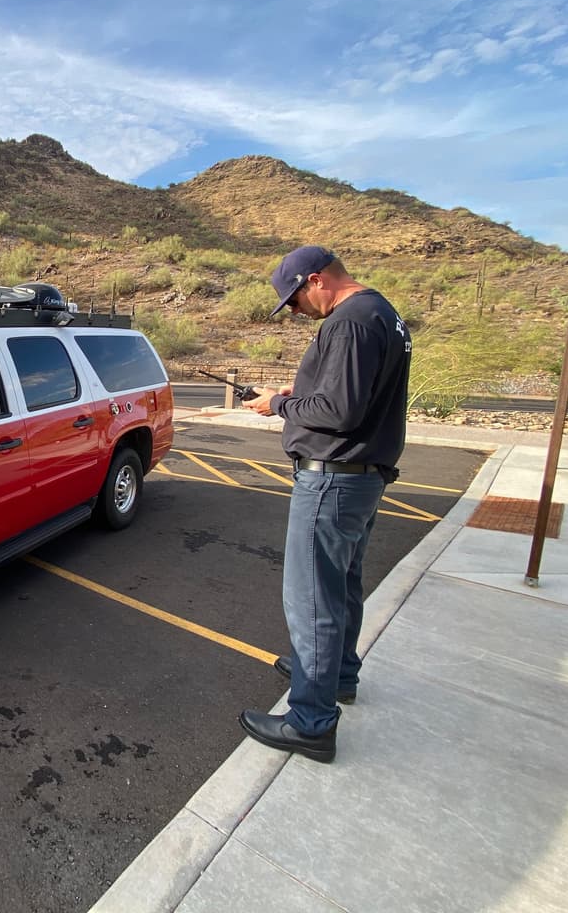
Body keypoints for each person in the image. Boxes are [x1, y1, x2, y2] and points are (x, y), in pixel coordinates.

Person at [238, 245, 411, 763]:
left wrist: (280, 404)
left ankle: (310, 722)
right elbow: (351, 394)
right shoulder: (381, 313)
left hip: (333, 480)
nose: (294, 311)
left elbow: (338, 410)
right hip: (361, 476)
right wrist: (303, 387)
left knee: (311, 598)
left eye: (294, 300)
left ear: (316, 280)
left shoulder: (349, 322)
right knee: (340, 584)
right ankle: (337, 675)